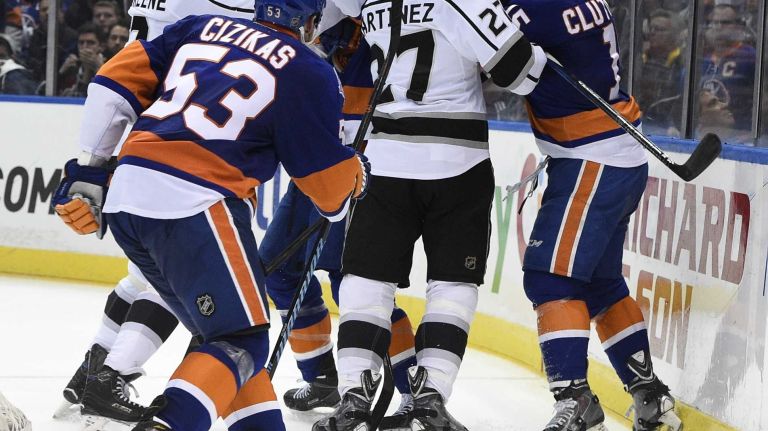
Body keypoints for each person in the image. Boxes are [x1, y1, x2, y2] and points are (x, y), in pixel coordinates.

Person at [52, 0, 370, 430]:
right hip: (197, 199)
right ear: (312, 22)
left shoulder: (200, 26)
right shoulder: (309, 69)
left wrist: (89, 168)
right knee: (243, 340)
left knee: (222, 344)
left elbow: (113, 81)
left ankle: (112, 371)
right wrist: (354, 175)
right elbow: (328, 195)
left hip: (127, 190)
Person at [313, 0, 546, 428]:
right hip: (456, 163)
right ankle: (430, 397)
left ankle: (353, 401)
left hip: (385, 161)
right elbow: (521, 73)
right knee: (453, 283)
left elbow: (321, 16)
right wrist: (543, 53)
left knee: (366, 280)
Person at [500, 0, 681, 430]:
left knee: (550, 278)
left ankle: (575, 401)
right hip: (616, 154)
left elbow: (497, 67)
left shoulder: (531, 8)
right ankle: (651, 397)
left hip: (591, 158)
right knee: (600, 286)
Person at [258, 15, 418, 425]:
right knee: (277, 268)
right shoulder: (318, 32)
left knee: (354, 286)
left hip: (361, 170)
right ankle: (322, 376)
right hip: (313, 166)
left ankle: (415, 391)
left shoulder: (380, 25)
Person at [699, 2, 755, 144]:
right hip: (711, 135)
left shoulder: (751, 57)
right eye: (714, 23)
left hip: (743, 136)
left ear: (738, 26)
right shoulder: (702, 61)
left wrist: (753, 132)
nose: (718, 27)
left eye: (725, 23)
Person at [58, 22, 105, 96]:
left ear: (101, 47)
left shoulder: (109, 66)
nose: (84, 46)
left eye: (90, 43)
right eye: (81, 43)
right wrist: (61, 72)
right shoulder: (72, 67)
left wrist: (100, 68)